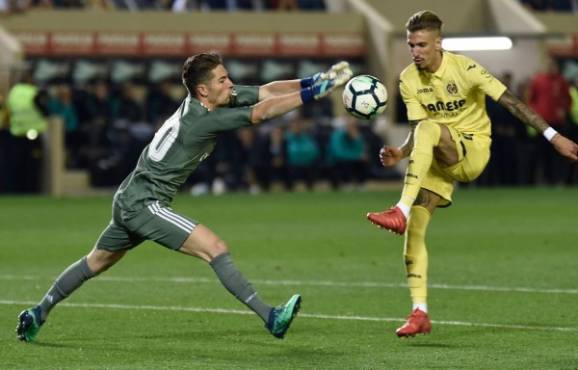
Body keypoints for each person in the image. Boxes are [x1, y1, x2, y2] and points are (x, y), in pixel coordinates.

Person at [16, 53, 352, 342]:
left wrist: (312, 81)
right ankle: (270, 317)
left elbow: (265, 91)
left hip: (129, 196)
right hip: (145, 202)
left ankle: (38, 312)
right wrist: (315, 95)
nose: (230, 83)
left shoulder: (205, 103)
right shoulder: (202, 122)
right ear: (204, 89)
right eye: (223, 79)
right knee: (215, 248)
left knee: (96, 261)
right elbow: (263, 112)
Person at [366, 10, 578, 338]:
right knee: (415, 233)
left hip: (473, 150)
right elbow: (418, 131)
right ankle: (419, 312)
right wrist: (401, 152)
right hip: (437, 153)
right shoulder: (408, 79)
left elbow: (513, 103)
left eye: (422, 44)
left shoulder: (465, 69)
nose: (415, 51)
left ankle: (400, 209)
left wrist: (553, 137)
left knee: (430, 129)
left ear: (439, 43)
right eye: (411, 45)